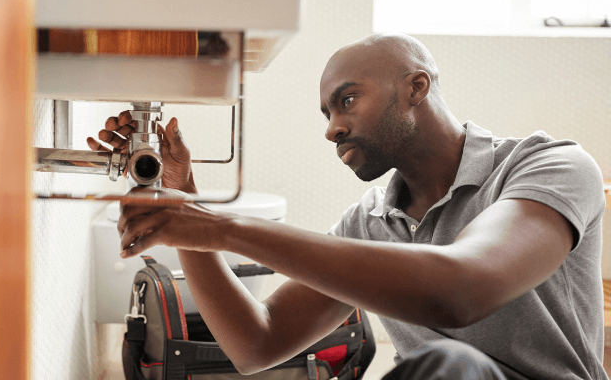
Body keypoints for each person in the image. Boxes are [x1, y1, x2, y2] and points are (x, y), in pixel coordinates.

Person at [87, 33, 608, 380]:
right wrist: (188, 214)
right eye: (327, 111)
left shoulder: (547, 165)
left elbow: (462, 289)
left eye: (348, 100)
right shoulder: (369, 223)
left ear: (416, 88)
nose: (332, 128)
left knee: (450, 364)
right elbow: (256, 344)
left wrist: (220, 227)